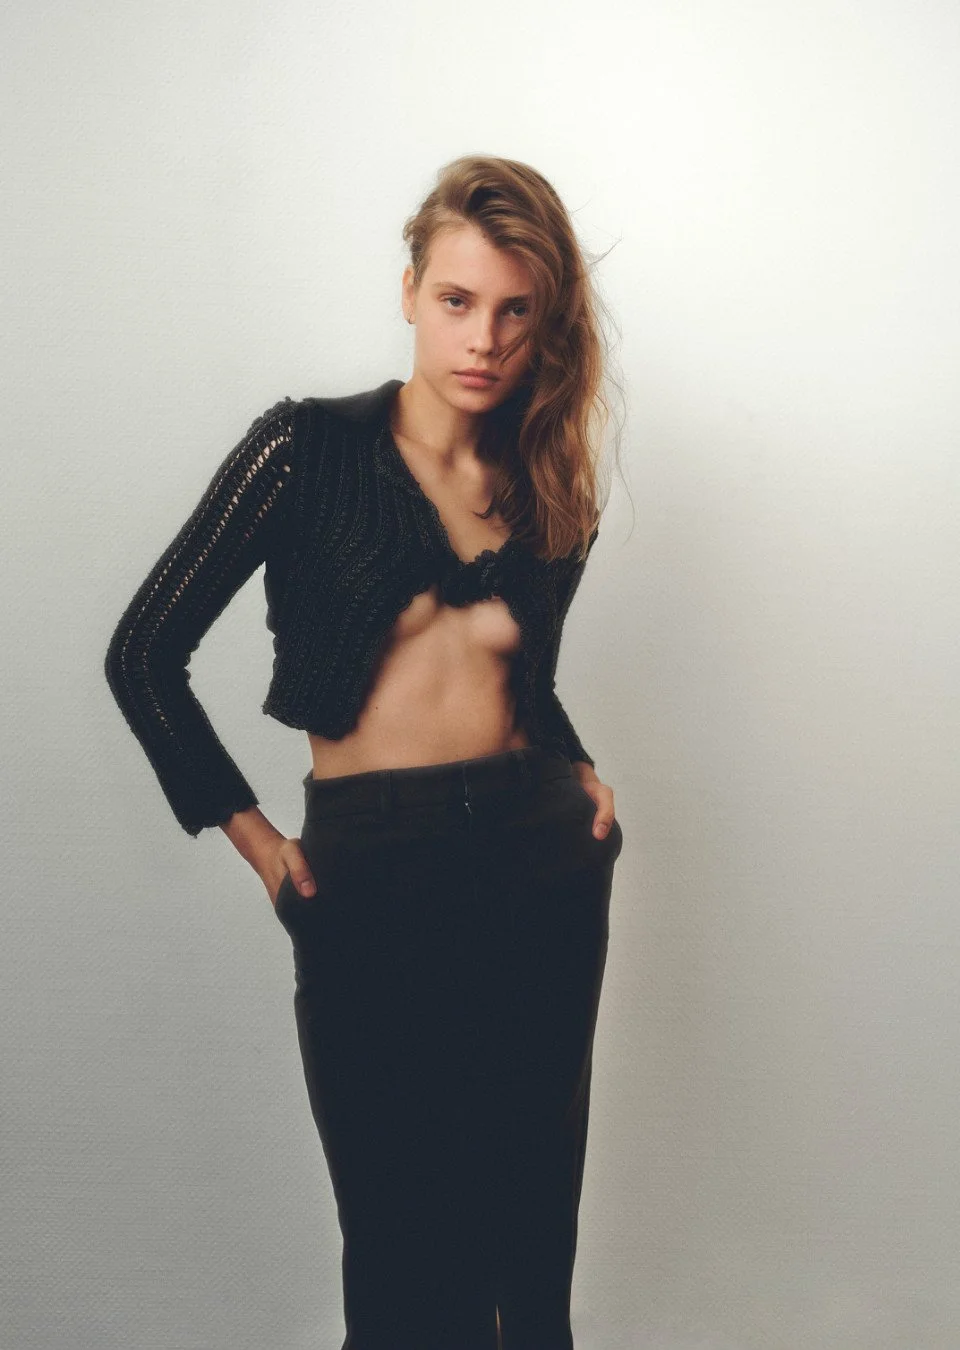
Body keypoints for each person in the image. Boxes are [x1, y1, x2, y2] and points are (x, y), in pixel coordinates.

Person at [104, 154, 625, 1350]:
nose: (483, 339)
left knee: (530, 1234)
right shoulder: (306, 451)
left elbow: (523, 684)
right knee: (400, 1247)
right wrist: (259, 844)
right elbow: (143, 653)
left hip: (541, 856)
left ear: (545, 321)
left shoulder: (549, 480)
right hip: (373, 863)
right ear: (408, 293)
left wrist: (580, 768)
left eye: (515, 311)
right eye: (457, 300)